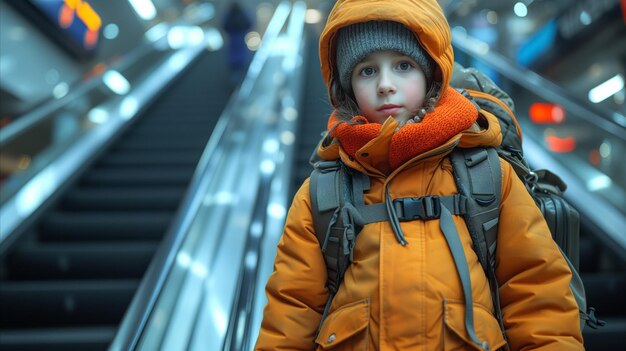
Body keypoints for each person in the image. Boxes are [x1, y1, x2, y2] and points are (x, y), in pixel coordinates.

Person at [254, 0, 584, 350]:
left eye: (403, 65)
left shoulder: (487, 175)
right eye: (367, 71)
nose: (385, 84)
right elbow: (291, 310)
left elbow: (538, 295)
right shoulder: (322, 192)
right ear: (347, 87)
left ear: (431, 75)